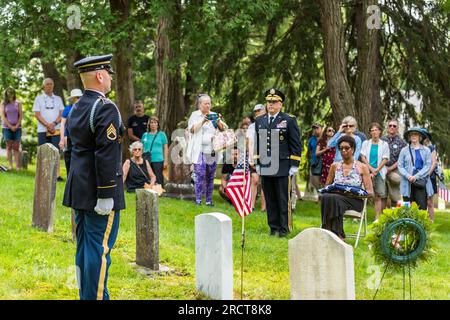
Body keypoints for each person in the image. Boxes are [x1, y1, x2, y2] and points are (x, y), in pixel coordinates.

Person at [63, 54, 125, 300]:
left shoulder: (77, 107)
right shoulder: (104, 107)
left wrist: (75, 184)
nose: (110, 78)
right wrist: (106, 194)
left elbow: (70, 151)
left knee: (84, 250)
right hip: (99, 192)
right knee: (98, 252)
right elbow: (106, 154)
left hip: (79, 189)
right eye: (108, 73)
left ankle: (87, 296)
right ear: (100, 76)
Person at [254, 88, 302, 237]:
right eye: (269, 102)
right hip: (266, 165)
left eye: (274, 102)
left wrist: (294, 165)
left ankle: (284, 228)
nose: (271, 104)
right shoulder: (260, 120)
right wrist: (257, 163)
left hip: (283, 165)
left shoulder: (288, 120)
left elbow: (296, 144)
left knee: (283, 198)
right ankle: (273, 227)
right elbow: (258, 143)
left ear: (281, 104)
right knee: (270, 198)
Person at [321, 135, 374, 240]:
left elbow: (371, 192)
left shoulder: (362, 167)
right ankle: (337, 234)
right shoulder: (335, 166)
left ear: (353, 149)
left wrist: (353, 192)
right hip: (337, 199)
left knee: (333, 198)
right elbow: (327, 186)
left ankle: (329, 231)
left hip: (354, 200)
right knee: (327, 196)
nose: (343, 150)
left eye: (346, 148)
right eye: (341, 148)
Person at [186, 93, 226, 206]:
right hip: (199, 150)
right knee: (200, 173)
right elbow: (192, 130)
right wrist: (203, 120)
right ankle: (198, 199)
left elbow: (224, 129)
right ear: (200, 105)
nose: (208, 105)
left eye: (209, 103)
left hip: (212, 150)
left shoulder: (214, 115)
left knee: (210, 175)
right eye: (205, 103)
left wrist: (218, 121)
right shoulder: (195, 115)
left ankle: (209, 200)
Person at [33, 78, 65, 180]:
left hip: (56, 130)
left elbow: (62, 114)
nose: (49, 86)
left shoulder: (58, 99)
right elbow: (37, 115)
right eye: (47, 84)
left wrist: (54, 123)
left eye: (51, 84)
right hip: (42, 130)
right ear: (43, 86)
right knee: (43, 152)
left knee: (56, 152)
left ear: (53, 85)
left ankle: (57, 175)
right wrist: (47, 125)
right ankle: (43, 175)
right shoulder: (38, 98)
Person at [397, 127, 433, 211]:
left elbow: (428, 166)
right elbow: (400, 165)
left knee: (422, 208)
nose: (413, 136)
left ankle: (421, 224)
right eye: (412, 134)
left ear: (420, 137)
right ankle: (409, 224)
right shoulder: (404, 150)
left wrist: (416, 176)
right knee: (407, 208)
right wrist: (408, 176)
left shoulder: (426, 150)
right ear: (409, 137)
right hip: (407, 182)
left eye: (416, 134)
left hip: (420, 182)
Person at [360, 122, 389, 220]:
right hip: (367, 171)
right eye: (372, 130)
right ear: (370, 133)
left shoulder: (384, 144)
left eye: (376, 130)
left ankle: (377, 218)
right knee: (363, 193)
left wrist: (376, 170)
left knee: (378, 196)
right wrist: (370, 169)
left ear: (380, 131)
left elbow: (385, 159)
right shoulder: (366, 143)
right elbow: (362, 156)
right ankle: (360, 216)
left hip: (379, 172)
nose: (374, 132)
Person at [381, 119, 407, 207]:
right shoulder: (381, 140)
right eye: (390, 125)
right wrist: (383, 168)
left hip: (395, 172)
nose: (392, 127)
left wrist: (390, 169)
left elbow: (401, 159)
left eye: (394, 126)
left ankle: (395, 219)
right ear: (387, 127)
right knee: (382, 196)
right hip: (382, 170)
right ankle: (381, 219)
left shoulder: (402, 142)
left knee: (395, 198)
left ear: (397, 128)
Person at [59, 88, 83, 174]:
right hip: (68, 136)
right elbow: (62, 124)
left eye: (79, 97)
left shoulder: (84, 109)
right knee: (69, 155)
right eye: (76, 97)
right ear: (72, 99)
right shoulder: (67, 109)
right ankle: (69, 175)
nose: (78, 99)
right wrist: (62, 139)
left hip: (81, 136)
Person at [248, 104, 266, 211]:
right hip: (254, 156)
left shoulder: (270, 124)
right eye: (256, 111)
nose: (257, 113)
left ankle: (264, 208)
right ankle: (251, 205)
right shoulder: (251, 126)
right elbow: (249, 143)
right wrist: (251, 158)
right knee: (254, 180)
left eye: (260, 111)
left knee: (265, 183)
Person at [141, 116, 168, 186]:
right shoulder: (145, 135)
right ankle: (148, 191)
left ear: (157, 124)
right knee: (147, 177)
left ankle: (159, 192)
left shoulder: (162, 134)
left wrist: (165, 161)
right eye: (151, 122)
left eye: (155, 122)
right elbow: (141, 147)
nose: (153, 124)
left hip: (158, 160)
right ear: (149, 124)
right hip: (146, 160)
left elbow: (165, 148)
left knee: (158, 178)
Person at [1, 87, 23, 170]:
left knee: (16, 146)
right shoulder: (3, 103)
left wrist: (16, 125)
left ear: (14, 93)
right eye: (8, 92)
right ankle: (10, 165)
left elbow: (21, 115)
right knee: (9, 146)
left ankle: (17, 166)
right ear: (6, 93)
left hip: (17, 128)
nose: (10, 93)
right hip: (6, 128)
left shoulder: (18, 103)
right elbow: (3, 116)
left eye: (12, 92)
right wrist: (10, 126)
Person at [421, 128, 438, 221]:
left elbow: (433, 163)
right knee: (421, 201)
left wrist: (427, 174)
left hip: (430, 178)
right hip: (419, 177)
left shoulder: (431, 148)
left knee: (430, 202)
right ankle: (422, 222)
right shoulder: (417, 147)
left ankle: (430, 221)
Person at [307, 123, 323, 193]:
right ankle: (319, 194)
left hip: (324, 161)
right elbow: (309, 151)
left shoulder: (325, 138)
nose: (315, 130)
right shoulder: (311, 139)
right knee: (315, 179)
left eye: (317, 128)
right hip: (315, 162)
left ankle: (324, 195)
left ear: (321, 128)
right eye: (314, 128)